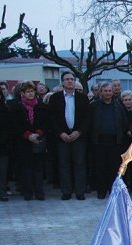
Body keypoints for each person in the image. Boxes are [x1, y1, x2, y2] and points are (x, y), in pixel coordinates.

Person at [48, 71, 91, 200]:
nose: (70, 81)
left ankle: (80, 191)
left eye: (72, 79)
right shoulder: (55, 98)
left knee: (79, 164)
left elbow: (87, 118)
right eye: (67, 79)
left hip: (78, 136)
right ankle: (66, 191)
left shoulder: (82, 98)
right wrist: (61, 133)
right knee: (64, 165)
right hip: (62, 137)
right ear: (62, 82)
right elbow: (51, 118)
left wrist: (78, 132)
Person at [11, 81, 51, 201]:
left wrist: (37, 134)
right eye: (28, 91)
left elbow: (46, 122)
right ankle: (28, 192)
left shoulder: (42, 106)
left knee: (38, 168)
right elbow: (15, 124)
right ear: (22, 93)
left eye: (32, 91)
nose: (30, 93)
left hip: (38, 141)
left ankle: (39, 192)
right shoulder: (17, 108)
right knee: (26, 169)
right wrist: (28, 135)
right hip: (23, 141)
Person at [89, 82, 129, 199]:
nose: (107, 93)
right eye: (105, 91)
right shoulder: (94, 106)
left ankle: (113, 190)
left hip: (114, 141)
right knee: (99, 167)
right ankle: (101, 191)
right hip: (99, 141)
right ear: (100, 92)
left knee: (113, 167)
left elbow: (124, 123)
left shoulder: (118, 105)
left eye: (109, 91)